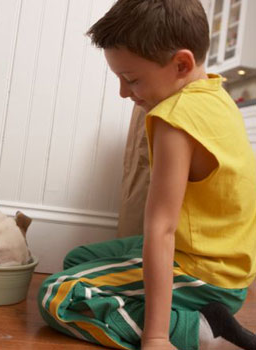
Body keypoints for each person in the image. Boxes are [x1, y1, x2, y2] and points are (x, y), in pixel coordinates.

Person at [38, 1, 256, 349]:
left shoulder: (174, 119)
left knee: (58, 293)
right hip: (224, 270)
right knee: (77, 260)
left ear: (182, 64)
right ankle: (201, 315)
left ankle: (198, 332)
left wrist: (154, 336)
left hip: (204, 276)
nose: (124, 92)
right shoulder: (215, 93)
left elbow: (161, 229)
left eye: (131, 79)